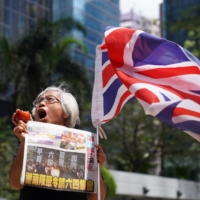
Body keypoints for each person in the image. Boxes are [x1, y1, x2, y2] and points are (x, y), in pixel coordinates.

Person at [9, 82, 107, 200]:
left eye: (49, 99)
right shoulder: (27, 139)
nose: (41, 103)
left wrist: (97, 167)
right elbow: (15, 183)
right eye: (38, 101)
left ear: (65, 112)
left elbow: (97, 198)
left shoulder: (84, 144)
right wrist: (25, 143)